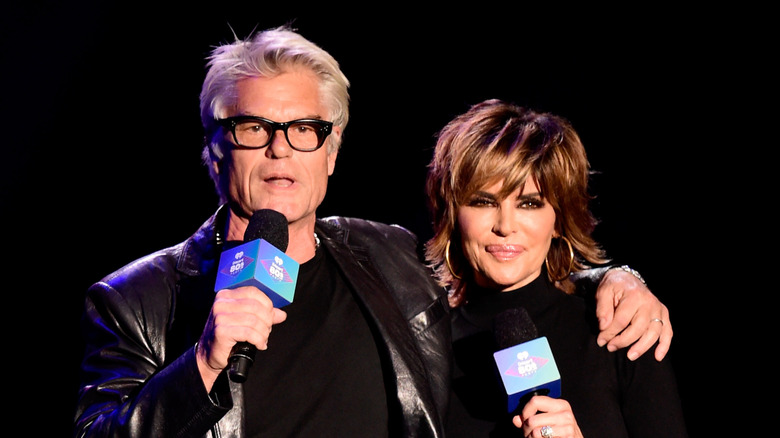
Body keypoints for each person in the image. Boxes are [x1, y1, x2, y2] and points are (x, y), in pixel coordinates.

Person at [73, 26, 673, 438]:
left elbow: (497, 267)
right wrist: (203, 363)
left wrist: (613, 278)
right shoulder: (136, 299)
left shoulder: (386, 256)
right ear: (212, 150)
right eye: (252, 127)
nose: (280, 148)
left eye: (304, 128)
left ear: (331, 152)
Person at [425, 98, 687, 437]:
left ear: (559, 219)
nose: (506, 225)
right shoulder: (424, 347)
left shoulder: (621, 329)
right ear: (452, 214)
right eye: (483, 201)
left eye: (529, 203)